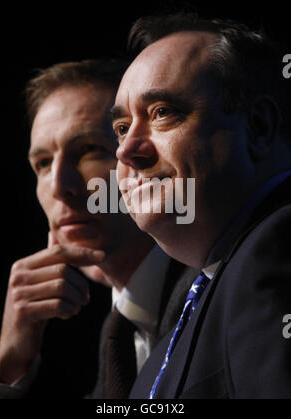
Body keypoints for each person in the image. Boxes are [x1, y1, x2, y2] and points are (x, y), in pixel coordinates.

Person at [0, 58, 196, 399]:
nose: (59, 186)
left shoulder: (219, 287)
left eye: (88, 150)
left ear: (142, 157)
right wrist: (10, 363)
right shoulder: (117, 330)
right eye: (43, 163)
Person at [113, 13, 291, 398]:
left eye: (162, 112)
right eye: (122, 128)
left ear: (258, 127)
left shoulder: (276, 248)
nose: (126, 150)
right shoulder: (202, 296)